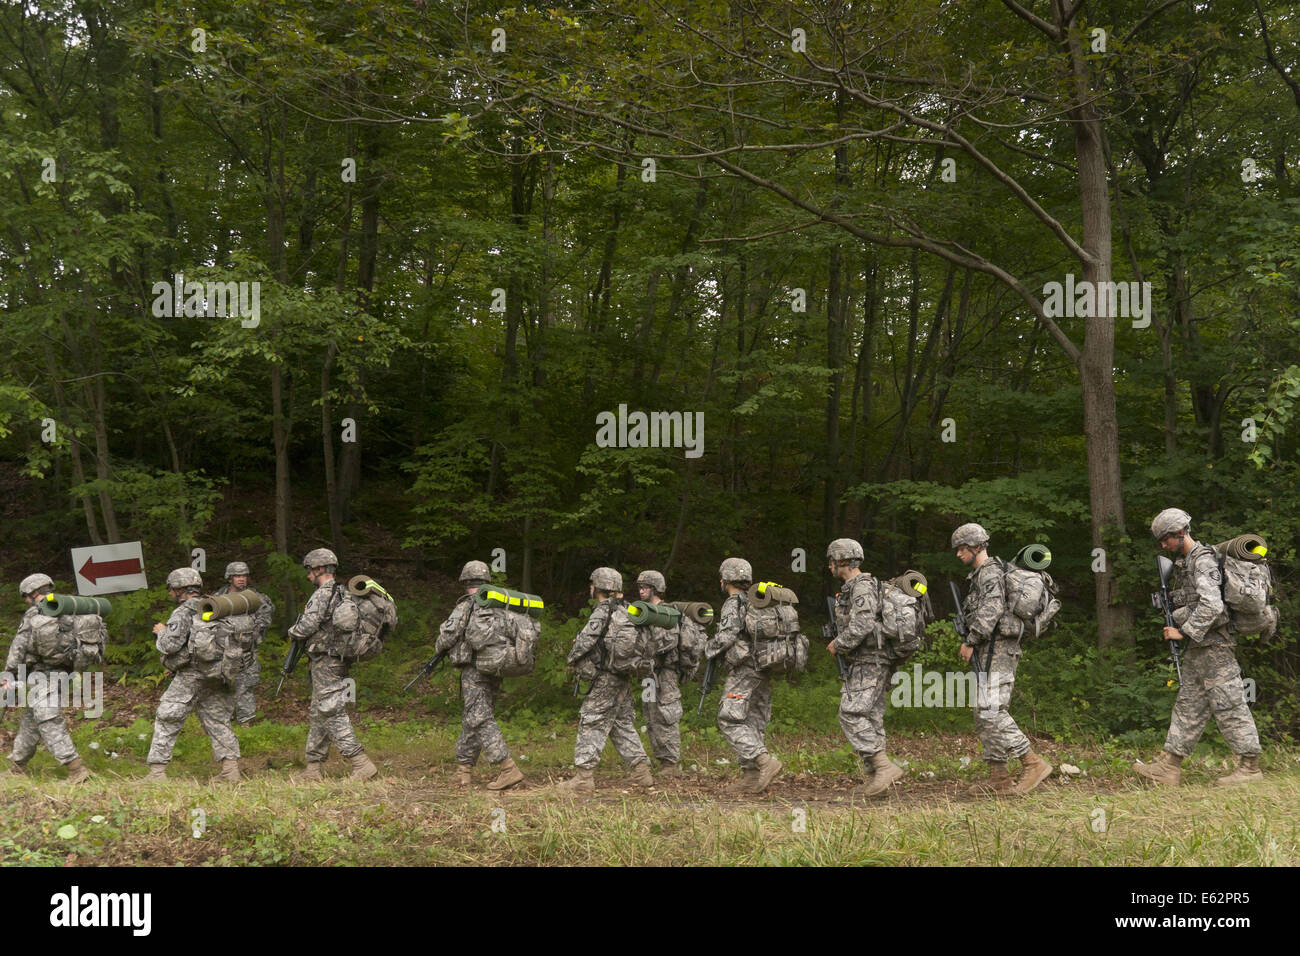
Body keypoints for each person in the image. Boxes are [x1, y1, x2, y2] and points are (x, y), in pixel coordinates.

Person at [1134, 508, 1263, 787]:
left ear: (1181, 533)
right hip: (1200, 647)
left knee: (1229, 704)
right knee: (1189, 704)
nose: (1164, 545)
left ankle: (1250, 768)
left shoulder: (1202, 562)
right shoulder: (1186, 562)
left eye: (1166, 539)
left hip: (1215, 646)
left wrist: (1183, 631)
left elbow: (1213, 606)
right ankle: (1170, 765)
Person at [952, 523, 1051, 796]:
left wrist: (971, 639)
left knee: (991, 709)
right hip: (990, 648)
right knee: (983, 712)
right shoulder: (980, 574)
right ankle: (999, 777)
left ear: (976, 547)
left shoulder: (990, 572)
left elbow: (993, 608)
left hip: (997, 648)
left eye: (962, 548)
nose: (958, 554)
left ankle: (1032, 762)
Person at [556, 567, 653, 794]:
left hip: (605, 678)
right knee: (620, 724)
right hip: (623, 676)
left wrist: (572, 657)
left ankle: (583, 778)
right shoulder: (628, 610)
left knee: (591, 720)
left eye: (592, 585)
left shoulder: (602, 611)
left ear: (598, 587)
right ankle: (642, 773)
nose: (590, 588)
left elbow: (586, 641)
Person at [141, 568, 241, 783]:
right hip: (217, 673)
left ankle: (156, 774)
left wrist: (161, 631)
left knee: (167, 717)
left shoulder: (183, 612)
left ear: (179, 589)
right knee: (218, 720)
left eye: (171, 590)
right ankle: (231, 771)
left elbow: (170, 645)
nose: (170, 594)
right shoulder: (215, 606)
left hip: (192, 675)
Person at [289, 548, 377, 781]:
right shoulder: (343, 593)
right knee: (319, 712)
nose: (308, 575)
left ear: (319, 569)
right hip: (335, 659)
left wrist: (292, 632)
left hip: (326, 660)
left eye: (310, 570)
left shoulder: (322, 594)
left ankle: (360, 763)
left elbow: (306, 627)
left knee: (331, 710)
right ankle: (313, 767)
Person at [436, 560, 524, 790]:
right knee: (473, 716)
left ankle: (508, 767)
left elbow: (448, 635)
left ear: (465, 582)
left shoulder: (468, 604)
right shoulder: (501, 605)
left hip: (474, 670)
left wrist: (439, 646)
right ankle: (463, 771)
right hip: (496, 666)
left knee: (480, 717)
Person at [826, 538, 903, 797]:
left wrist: (839, 643)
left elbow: (863, 624)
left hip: (869, 659)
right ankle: (876, 780)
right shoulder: (858, 587)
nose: (830, 566)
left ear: (842, 561)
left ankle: (883, 767)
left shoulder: (861, 587)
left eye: (832, 561)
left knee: (850, 712)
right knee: (870, 715)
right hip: (872, 658)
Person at [3, 573, 92, 783]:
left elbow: (20, 646)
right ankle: (17, 768)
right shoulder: (69, 608)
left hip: (44, 673)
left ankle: (76, 769)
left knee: (47, 718)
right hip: (65, 671)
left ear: (34, 592)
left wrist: (9, 673)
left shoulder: (36, 612)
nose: (26, 601)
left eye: (26, 596)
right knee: (31, 720)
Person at [705, 557, 783, 794]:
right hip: (763, 666)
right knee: (753, 719)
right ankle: (751, 776)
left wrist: (707, 648)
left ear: (725, 579)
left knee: (728, 717)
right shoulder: (757, 601)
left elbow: (728, 635)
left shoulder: (733, 603)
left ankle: (763, 762)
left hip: (744, 669)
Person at [211, 561, 275, 724]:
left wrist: (253, 629)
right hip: (224, 650)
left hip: (246, 650)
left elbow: (266, 615)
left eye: (244, 576)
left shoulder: (255, 597)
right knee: (220, 686)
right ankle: (223, 718)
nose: (241, 579)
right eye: (237, 576)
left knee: (245, 686)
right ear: (229, 578)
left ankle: (245, 721)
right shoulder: (219, 597)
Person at [636, 570, 683, 778]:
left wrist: (647, 648)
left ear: (656, 588)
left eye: (645, 587)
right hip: (648, 675)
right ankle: (662, 760)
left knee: (667, 715)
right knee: (651, 716)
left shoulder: (666, 613)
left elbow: (669, 641)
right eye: (640, 587)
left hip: (665, 673)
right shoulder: (643, 612)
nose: (641, 590)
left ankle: (671, 763)